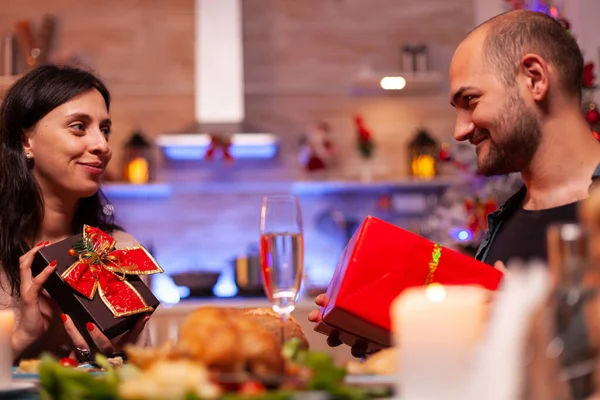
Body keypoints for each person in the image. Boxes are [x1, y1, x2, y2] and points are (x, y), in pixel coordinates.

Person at [309, 9, 600, 355]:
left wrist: (533, 324)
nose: (459, 130)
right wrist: (390, 337)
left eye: (470, 101)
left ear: (535, 79)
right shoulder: (502, 223)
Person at [0, 64, 150, 363]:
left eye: (104, 130)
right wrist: (22, 338)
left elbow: (144, 382)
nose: (102, 145)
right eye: (79, 126)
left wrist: (114, 359)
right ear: (26, 140)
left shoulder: (120, 251)